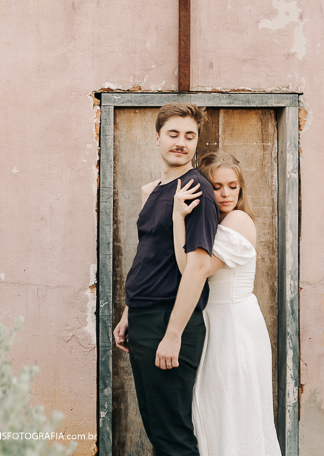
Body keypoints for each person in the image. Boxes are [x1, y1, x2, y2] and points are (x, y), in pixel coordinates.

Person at [113, 103, 218, 455]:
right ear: (157, 138)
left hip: (170, 321)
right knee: (158, 429)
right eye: (173, 134)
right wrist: (130, 311)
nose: (181, 142)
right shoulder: (157, 190)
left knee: (173, 436)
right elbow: (150, 254)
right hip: (145, 318)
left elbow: (198, 268)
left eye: (190, 136)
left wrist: (173, 335)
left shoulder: (195, 191)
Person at [172, 151, 281, 456]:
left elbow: (193, 270)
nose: (226, 194)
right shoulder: (211, 225)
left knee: (232, 410)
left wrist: (177, 219)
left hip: (234, 326)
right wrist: (181, 218)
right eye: (217, 187)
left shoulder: (238, 220)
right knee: (215, 407)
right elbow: (187, 268)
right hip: (214, 323)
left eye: (233, 186)